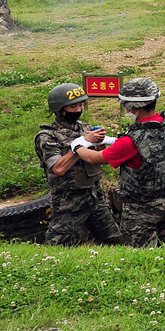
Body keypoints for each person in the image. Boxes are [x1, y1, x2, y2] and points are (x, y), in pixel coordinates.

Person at [75, 77, 165, 247]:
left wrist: (78, 146)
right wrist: (114, 141)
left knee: (140, 258)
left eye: (126, 106)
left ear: (134, 107)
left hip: (141, 209)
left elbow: (94, 158)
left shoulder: (130, 141)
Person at [34, 83, 122, 246]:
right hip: (69, 202)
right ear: (59, 109)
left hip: (95, 197)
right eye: (73, 106)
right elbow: (59, 168)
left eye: (81, 105)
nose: (78, 110)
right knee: (58, 246)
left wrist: (101, 142)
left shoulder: (85, 128)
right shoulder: (47, 137)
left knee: (115, 240)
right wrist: (81, 145)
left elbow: (99, 158)